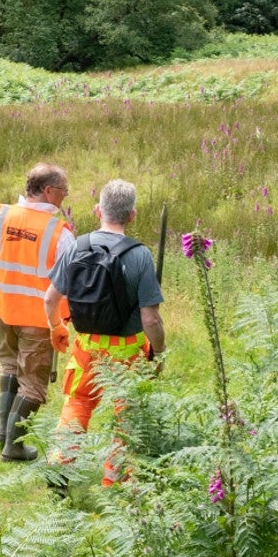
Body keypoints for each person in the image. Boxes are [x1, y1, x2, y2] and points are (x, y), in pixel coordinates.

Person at [49, 179, 166, 479]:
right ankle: (115, 484)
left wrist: (56, 327)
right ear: (132, 215)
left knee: (78, 403)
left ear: (97, 210)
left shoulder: (77, 245)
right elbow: (150, 319)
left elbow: (50, 298)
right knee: (126, 415)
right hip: (129, 354)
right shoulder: (139, 255)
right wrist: (160, 352)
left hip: (86, 349)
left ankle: (60, 469)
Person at [0, 163, 73, 462]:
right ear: (49, 191)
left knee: (10, 367)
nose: (64, 198)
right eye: (63, 192)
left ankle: (3, 431)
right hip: (40, 320)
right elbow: (71, 282)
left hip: (3, 311)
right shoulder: (60, 233)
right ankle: (13, 447)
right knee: (34, 385)